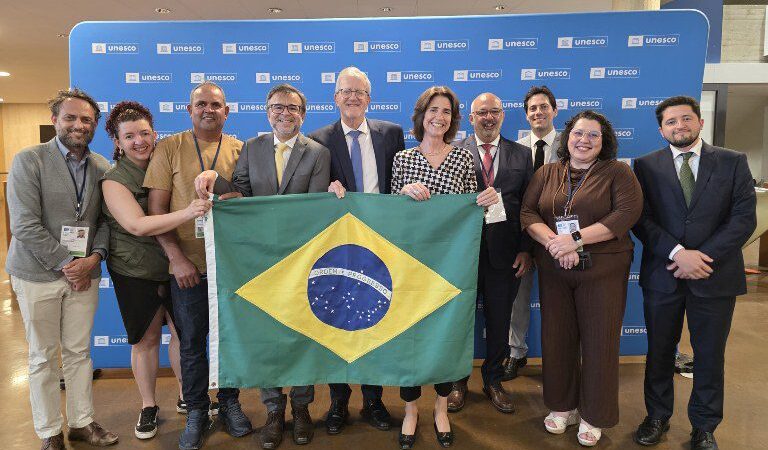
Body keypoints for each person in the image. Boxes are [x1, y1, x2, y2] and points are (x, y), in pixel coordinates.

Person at [194, 83, 330, 449]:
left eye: (292, 107)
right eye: (277, 107)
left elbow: (315, 208)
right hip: (260, 261)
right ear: (267, 112)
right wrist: (215, 178)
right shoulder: (251, 148)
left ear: (303, 114)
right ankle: (273, 411)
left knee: (302, 334)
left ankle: (301, 408)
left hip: (302, 259)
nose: (285, 113)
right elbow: (240, 195)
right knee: (267, 336)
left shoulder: (318, 152)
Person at [632, 96, 756, 450]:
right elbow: (641, 219)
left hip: (714, 275)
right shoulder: (645, 165)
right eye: (671, 122)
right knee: (659, 352)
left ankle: (704, 426)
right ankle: (657, 417)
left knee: (710, 355)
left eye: (686, 118)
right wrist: (678, 253)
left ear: (700, 122)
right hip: (663, 274)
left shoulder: (733, 161)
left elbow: (743, 218)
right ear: (661, 130)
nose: (679, 126)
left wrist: (701, 257)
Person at [520, 110, 643, 446]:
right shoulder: (547, 172)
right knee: (557, 338)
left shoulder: (618, 172)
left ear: (604, 142)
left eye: (592, 135)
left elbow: (625, 214)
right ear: (567, 137)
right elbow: (528, 212)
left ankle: (593, 415)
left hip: (602, 270)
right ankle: (562, 406)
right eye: (578, 133)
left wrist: (574, 240)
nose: (584, 140)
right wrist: (555, 243)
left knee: (600, 342)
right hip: (555, 268)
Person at [6, 88, 118, 450]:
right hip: (37, 273)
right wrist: (68, 263)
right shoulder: (29, 161)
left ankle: (81, 423)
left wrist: (94, 258)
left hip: (85, 273)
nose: (78, 125)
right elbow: (24, 225)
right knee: (42, 356)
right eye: (70, 117)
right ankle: (49, 431)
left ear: (95, 124)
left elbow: (106, 221)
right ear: (55, 120)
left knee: (79, 352)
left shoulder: (102, 167)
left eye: (86, 119)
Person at [143, 82, 252, 450]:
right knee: (190, 343)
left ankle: (230, 403)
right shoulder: (169, 148)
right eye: (201, 104)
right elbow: (156, 211)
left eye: (216, 104)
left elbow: (248, 200)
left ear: (227, 111)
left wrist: (234, 196)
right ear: (189, 110)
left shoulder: (240, 149)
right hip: (188, 267)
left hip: (232, 267)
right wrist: (176, 259)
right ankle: (196, 410)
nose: (209, 110)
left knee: (230, 340)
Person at [391, 86, 498, 449]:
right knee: (409, 337)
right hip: (408, 266)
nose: (439, 117)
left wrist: (487, 200)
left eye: (447, 112)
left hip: (450, 268)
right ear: (421, 115)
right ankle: (410, 410)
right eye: (433, 110)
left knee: (445, 335)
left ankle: (440, 408)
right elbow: (388, 214)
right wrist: (403, 194)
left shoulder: (464, 158)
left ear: (453, 119)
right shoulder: (402, 159)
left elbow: (473, 211)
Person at [101, 101, 212, 440]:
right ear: (117, 142)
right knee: (146, 339)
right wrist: (190, 212)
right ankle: (148, 405)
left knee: (183, 335)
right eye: (129, 136)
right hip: (136, 270)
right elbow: (136, 225)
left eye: (145, 133)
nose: (139, 141)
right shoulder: (113, 180)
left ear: (154, 133)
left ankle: (186, 395)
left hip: (178, 266)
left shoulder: (166, 159)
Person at [307, 66, 404, 435]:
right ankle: (338, 402)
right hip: (339, 247)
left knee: (376, 321)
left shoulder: (391, 134)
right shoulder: (318, 139)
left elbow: (399, 182)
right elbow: (312, 192)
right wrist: (325, 190)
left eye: (359, 91)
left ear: (369, 98)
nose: (352, 97)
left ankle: (374, 400)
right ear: (335, 98)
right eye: (345, 91)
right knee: (339, 323)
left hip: (381, 244)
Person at [447, 92, 533, 414]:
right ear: (471, 118)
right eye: (481, 112)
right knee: (460, 322)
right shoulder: (454, 151)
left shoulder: (522, 155)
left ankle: (493, 380)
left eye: (494, 111)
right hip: (462, 255)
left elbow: (529, 206)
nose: (488, 117)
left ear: (502, 115)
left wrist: (526, 250)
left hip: (506, 254)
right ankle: (458, 382)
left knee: (499, 322)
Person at [505, 85, 562, 381]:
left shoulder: (572, 144)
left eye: (543, 107)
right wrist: (523, 245)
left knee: (560, 301)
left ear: (555, 110)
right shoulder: (515, 150)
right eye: (532, 109)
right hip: (523, 236)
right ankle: (516, 353)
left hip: (562, 239)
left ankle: (560, 358)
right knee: (517, 299)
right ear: (526, 115)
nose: (538, 112)